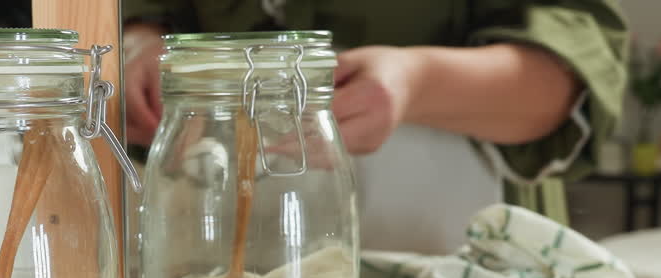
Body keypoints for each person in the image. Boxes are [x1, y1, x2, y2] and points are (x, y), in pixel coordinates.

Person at [122, 1, 629, 248]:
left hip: (460, 257)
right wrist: (140, 48)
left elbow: (568, 76)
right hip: (226, 237)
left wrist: (415, 83)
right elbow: (145, 13)